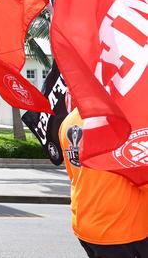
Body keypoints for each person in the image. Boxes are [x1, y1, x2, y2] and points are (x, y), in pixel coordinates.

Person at [59, 109, 148, 258]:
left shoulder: (69, 120)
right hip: (121, 229)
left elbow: (74, 173)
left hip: (86, 222)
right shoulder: (123, 118)